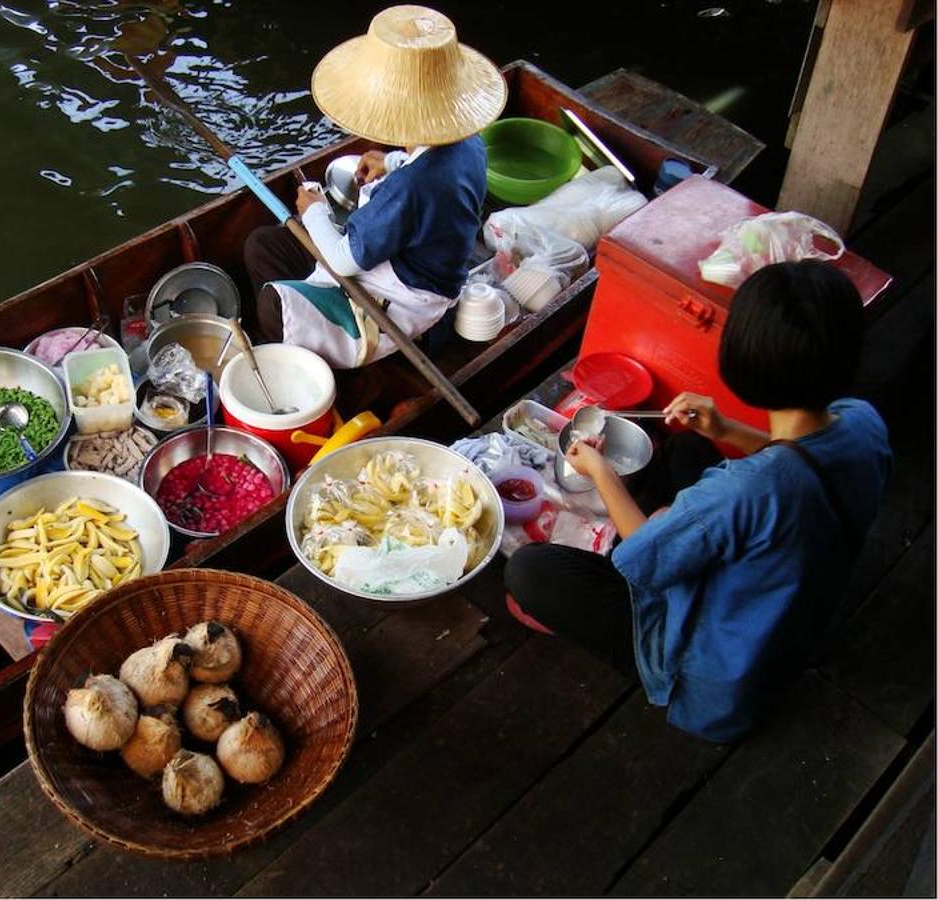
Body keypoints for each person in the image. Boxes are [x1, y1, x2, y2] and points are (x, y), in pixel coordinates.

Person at [504, 260, 892, 743]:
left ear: (744, 366)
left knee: (529, 572)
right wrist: (726, 430)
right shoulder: (861, 420)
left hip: (714, 678)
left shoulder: (745, 489)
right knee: (688, 449)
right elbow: (804, 460)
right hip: (788, 605)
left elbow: (643, 550)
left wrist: (599, 471)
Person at [242, 5, 506, 368]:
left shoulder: (411, 188)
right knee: (264, 245)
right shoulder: (468, 141)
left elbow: (341, 260)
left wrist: (314, 208)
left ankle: (306, 359)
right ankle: (305, 315)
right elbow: (432, 173)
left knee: (271, 306)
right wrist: (393, 161)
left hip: (405, 293)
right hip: (408, 255)